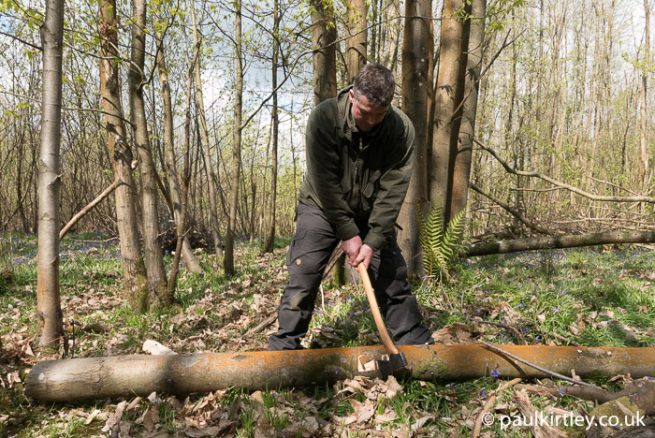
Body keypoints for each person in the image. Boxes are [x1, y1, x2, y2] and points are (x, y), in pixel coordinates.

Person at [268, 63, 433, 350]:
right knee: (303, 274)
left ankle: (415, 346)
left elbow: (392, 192)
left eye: (378, 116)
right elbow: (325, 182)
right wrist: (347, 232)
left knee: (392, 276)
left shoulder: (400, 130)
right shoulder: (324, 118)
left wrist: (372, 241)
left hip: (371, 212)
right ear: (352, 96)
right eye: (364, 113)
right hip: (320, 205)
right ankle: (284, 349)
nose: (370, 122)